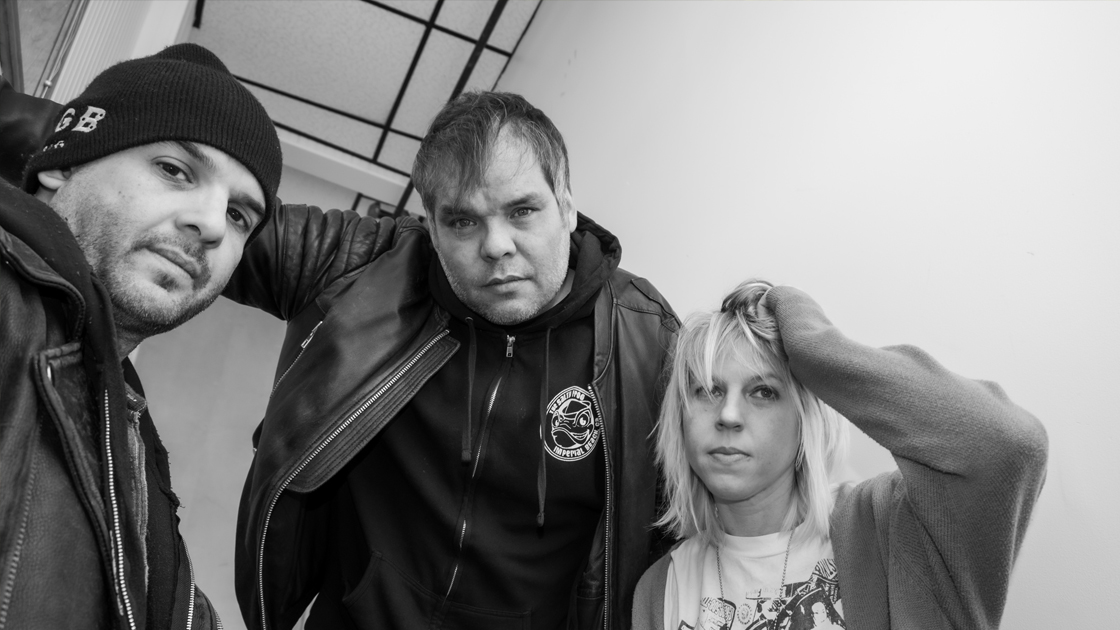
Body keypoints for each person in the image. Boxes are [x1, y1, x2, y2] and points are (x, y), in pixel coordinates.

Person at [224, 91, 679, 630]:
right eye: (463, 222)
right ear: (433, 230)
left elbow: (706, 511)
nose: (497, 245)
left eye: (522, 211)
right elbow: (214, 228)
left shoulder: (645, 338)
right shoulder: (366, 269)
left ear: (567, 205)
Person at [0, 43, 282, 630]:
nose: (209, 223)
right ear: (63, 163)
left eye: (238, 216)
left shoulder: (126, 429)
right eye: (174, 170)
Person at [632, 280, 1048, 630]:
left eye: (763, 392)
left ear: (805, 419)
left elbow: (1010, 446)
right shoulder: (661, 589)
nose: (728, 415)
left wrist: (817, 348)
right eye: (707, 390)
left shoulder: (892, 528)